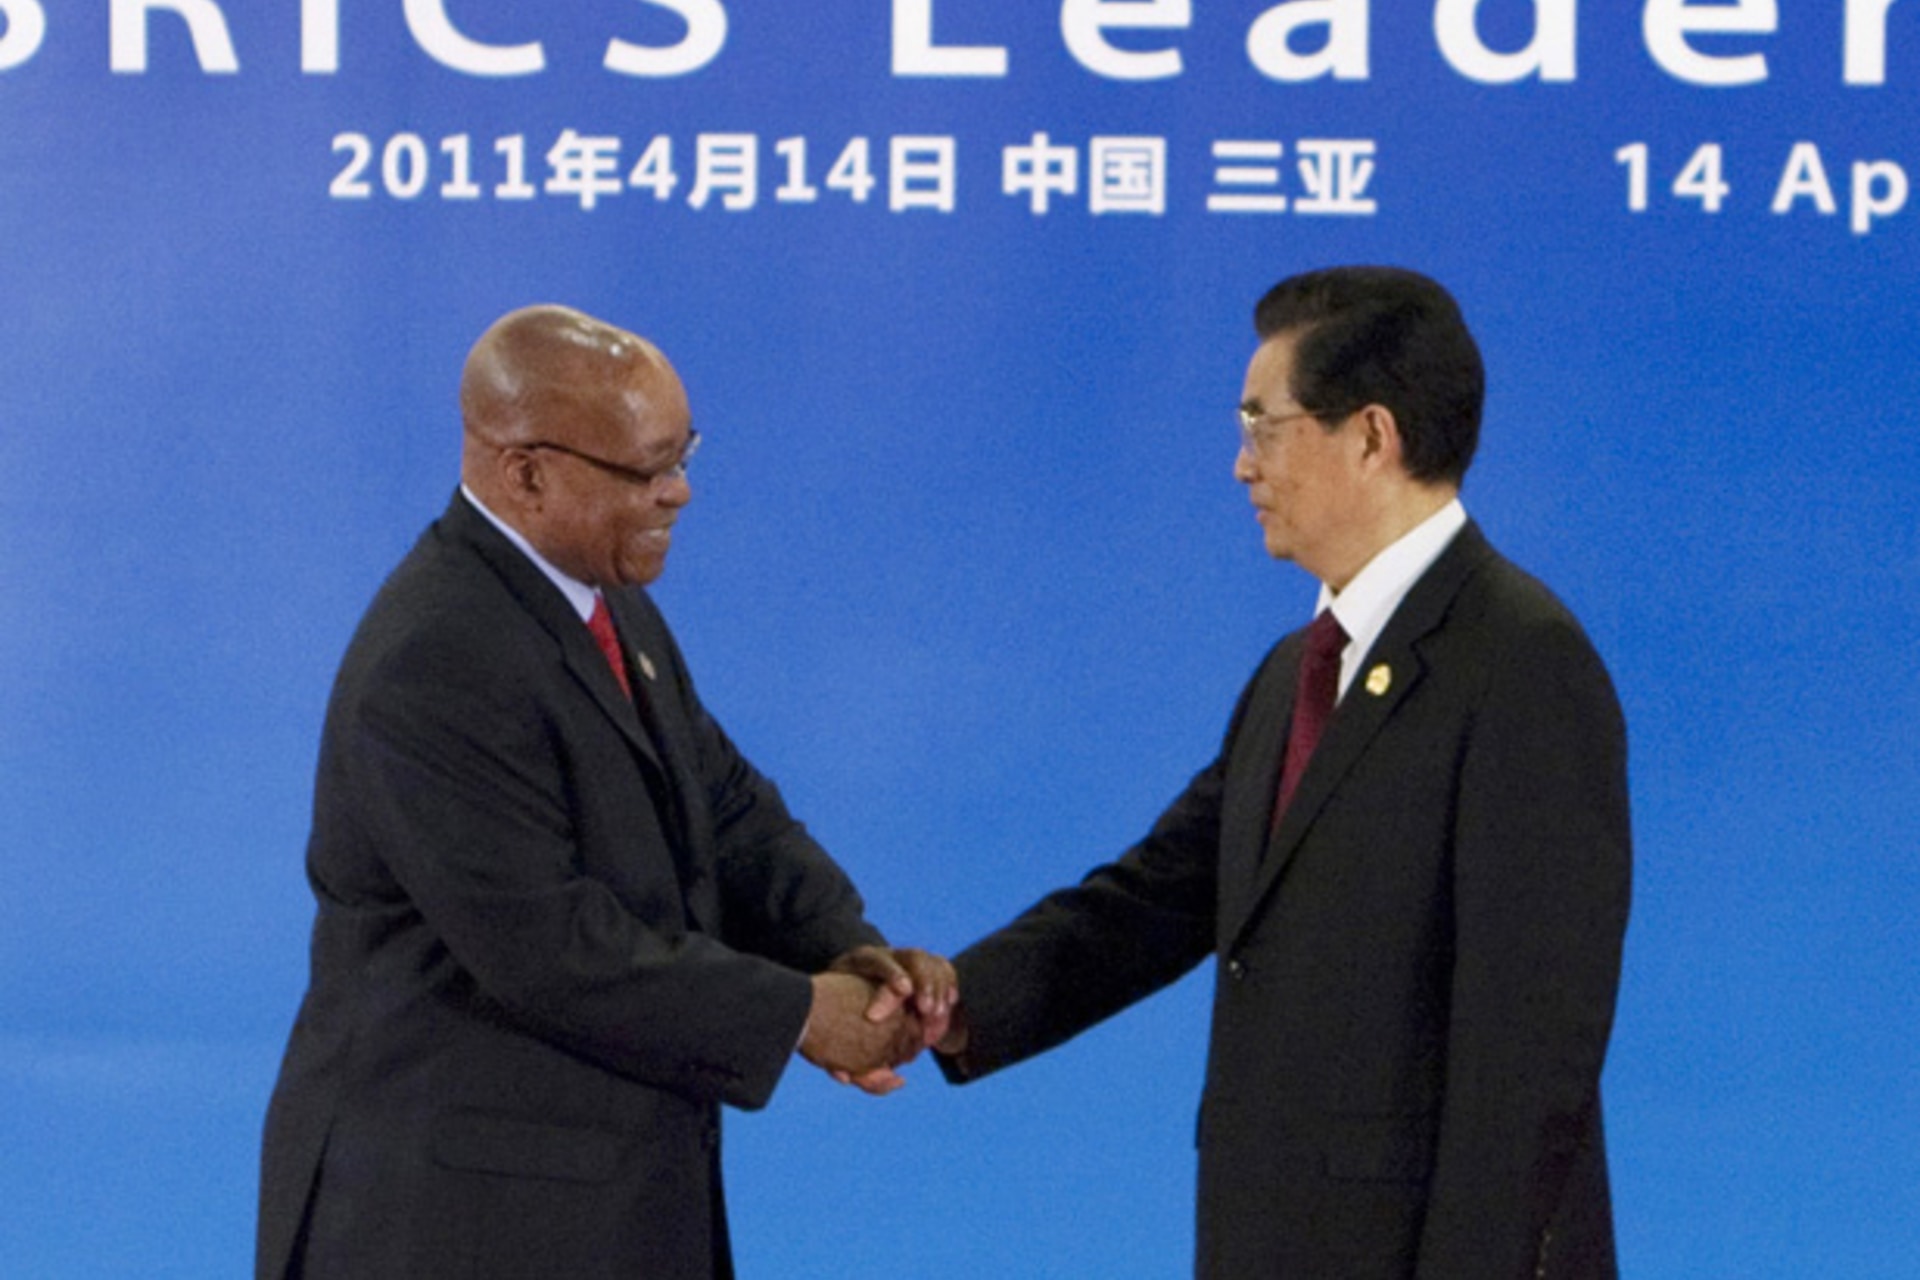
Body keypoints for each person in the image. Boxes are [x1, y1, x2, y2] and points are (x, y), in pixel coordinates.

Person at [936, 267, 1632, 1278]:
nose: (1240, 465)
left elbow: (1528, 1060)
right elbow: (1164, 891)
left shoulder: (1520, 661)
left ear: (1371, 435)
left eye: (1264, 426)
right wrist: (959, 1000)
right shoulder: (1299, 669)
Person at [257, 305, 953, 1280]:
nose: (680, 491)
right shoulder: (437, 655)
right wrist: (799, 1011)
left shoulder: (606, 602)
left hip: (600, 1211)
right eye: (646, 469)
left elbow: (728, 807)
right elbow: (553, 948)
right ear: (526, 470)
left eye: (683, 454)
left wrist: (844, 944)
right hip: (458, 1228)